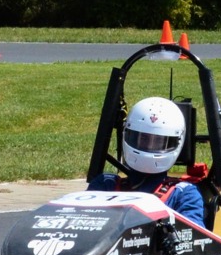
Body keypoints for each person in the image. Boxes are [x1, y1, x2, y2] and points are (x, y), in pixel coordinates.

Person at [88, 96, 207, 224]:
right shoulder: (105, 185)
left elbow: (193, 235)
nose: (149, 146)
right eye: (143, 139)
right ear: (128, 135)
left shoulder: (183, 194)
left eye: (158, 142)